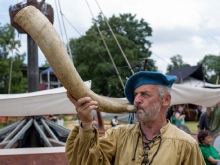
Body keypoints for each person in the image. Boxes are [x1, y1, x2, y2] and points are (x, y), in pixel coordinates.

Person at [65, 71, 205, 165]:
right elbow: (86, 162)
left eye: (145, 94)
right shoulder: (118, 135)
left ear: (166, 100)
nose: (136, 100)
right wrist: (87, 123)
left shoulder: (186, 144)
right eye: (135, 95)